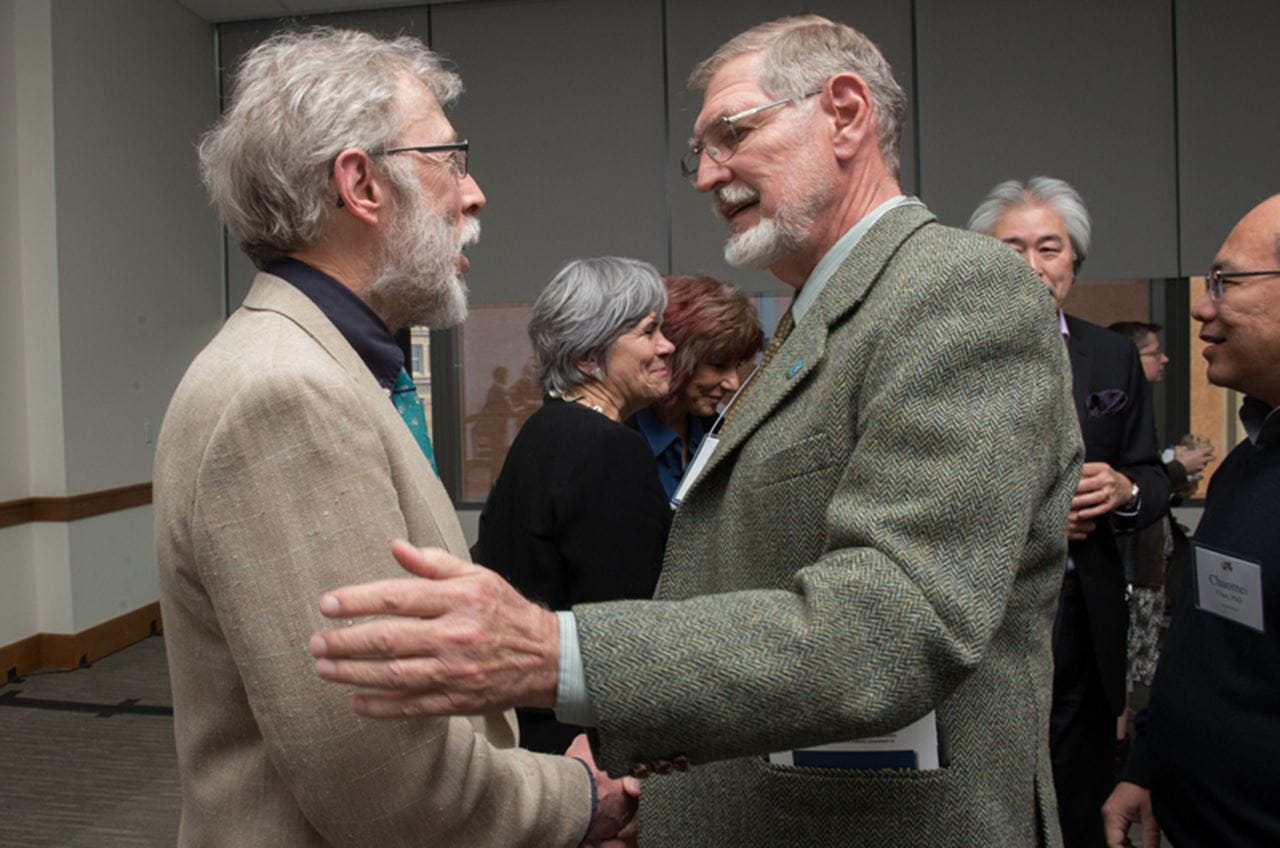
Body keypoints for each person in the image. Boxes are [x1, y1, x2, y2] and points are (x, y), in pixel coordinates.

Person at [310, 15, 1083, 846]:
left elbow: (897, 621)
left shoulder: (959, 292)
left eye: (733, 133)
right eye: (700, 150)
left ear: (847, 113)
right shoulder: (827, 311)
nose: (709, 173)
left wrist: (556, 654)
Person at [153, 28, 633, 847]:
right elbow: (384, 785)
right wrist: (579, 799)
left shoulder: (319, 364)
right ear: (361, 183)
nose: (474, 193)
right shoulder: (286, 394)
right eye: (450, 159)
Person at [970, 177, 1169, 847]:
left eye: (1049, 247)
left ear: (1073, 261)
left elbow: (1150, 472)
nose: (1033, 264)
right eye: (1013, 246)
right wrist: (1027, 526)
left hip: (1086, 614)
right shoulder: (953, 356)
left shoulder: (1111, 355)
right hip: (988, 615)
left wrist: (1124, 489)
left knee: (1081, 790)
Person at [1103, 195, 1280, 846]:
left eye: (1225, 283)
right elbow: (1212, 644)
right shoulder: (1248, 464)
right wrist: (1149, 766)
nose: (1202, 308)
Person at [474, 256, 674, 753]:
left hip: (532, 728)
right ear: (588, 359)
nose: (667, 346)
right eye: (649, 332)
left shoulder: (545, 430)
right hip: (586, 745)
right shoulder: (607, 447)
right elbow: (628, 629)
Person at [631, 274, 763, 500]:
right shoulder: (621, 438)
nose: (733, 383)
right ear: (671, 355)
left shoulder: (721, 432)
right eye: (718, 365)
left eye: (738, 365)